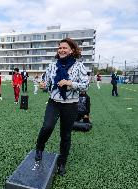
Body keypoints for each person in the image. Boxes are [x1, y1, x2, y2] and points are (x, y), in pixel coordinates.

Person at [34, 38, 89, 176]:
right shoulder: (52, 65)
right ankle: (39, 148)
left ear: (72, 50)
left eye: (65, 48)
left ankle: (62, 162)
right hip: (54, 102)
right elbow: (45, 82)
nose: (62, 50)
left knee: (65, 135)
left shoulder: (79, 66)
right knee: (47, 127)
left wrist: (70, 83)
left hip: (70, 105)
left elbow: (86, 85)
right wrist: (43, 85)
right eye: (60, 48)